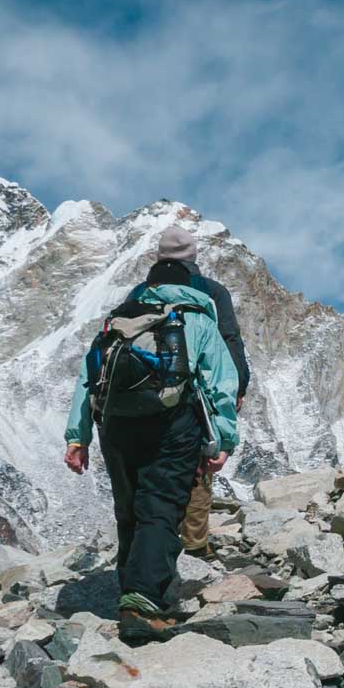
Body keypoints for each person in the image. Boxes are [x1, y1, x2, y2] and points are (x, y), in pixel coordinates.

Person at [64, 259, 239, 639]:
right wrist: (224, 439)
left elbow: (87, 380)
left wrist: (77, 438)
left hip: (114, 426)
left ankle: (129, 589)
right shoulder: (198, 319)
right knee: (160, 508)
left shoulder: (120, 320)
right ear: (192, 287)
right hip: (172, 426)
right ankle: (143, 603)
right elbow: (220, 384)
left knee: (128, 510)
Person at [125, 225, 251, 558]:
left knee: (150, 469)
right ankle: (195, 544)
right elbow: (229, 339)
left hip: (145, 395)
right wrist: (239, 383)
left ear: (158, 257)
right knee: (200, 463)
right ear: (194, 256)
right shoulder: (210, 290)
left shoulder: (140, 292)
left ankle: (149, 542)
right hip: (193, 394)